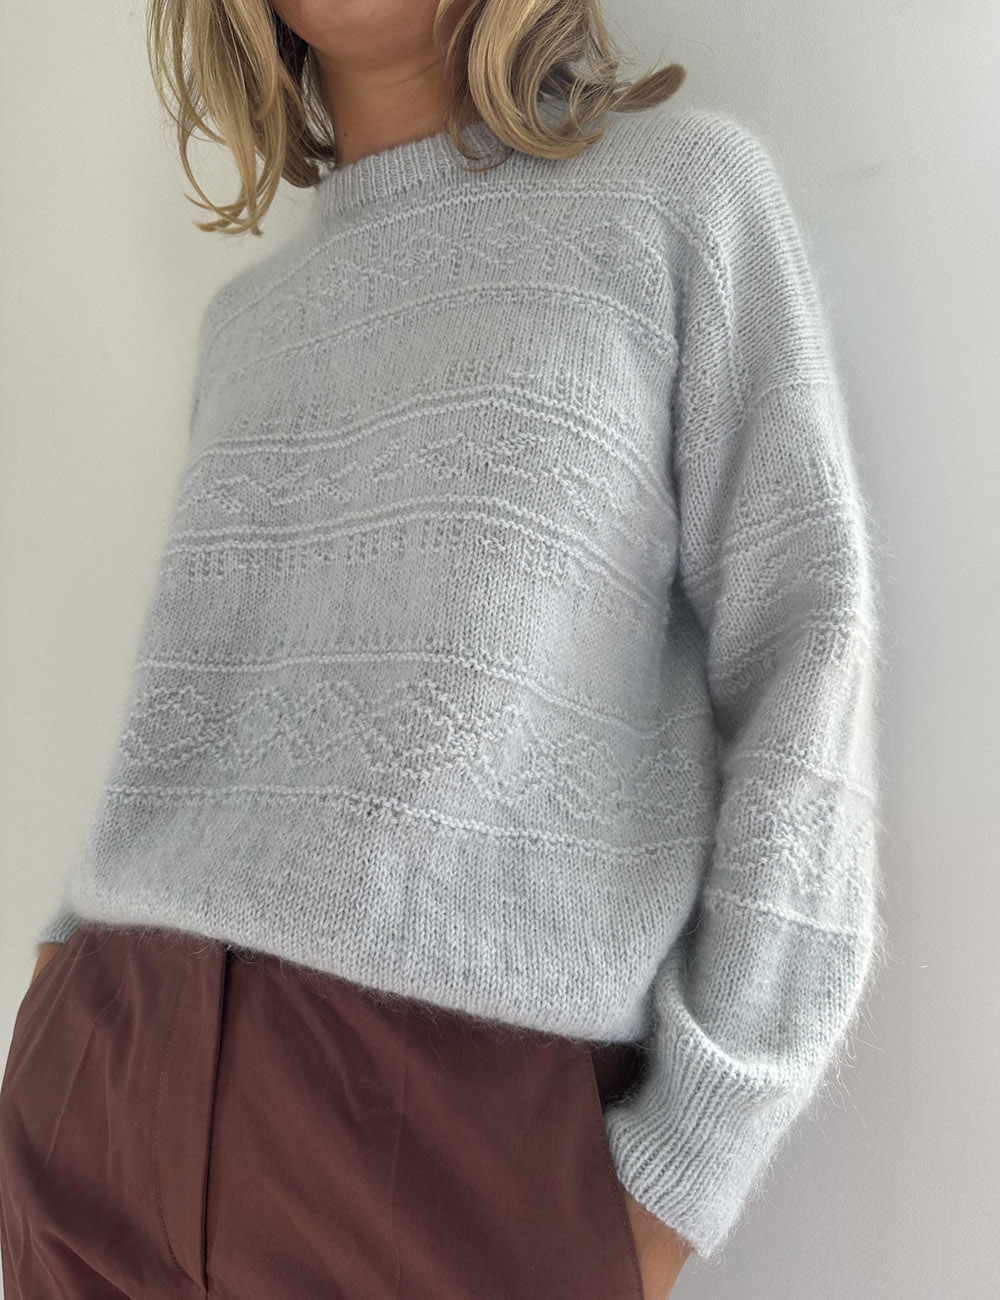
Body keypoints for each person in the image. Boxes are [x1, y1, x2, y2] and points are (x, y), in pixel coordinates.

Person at [2, 1, 887, 1297]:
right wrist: (63, 963)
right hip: (109, 1079)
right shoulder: (249, 322)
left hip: (452, 1144)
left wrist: (689, 1159)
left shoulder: (679, 198)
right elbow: (208, 707)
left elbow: (807, 651)